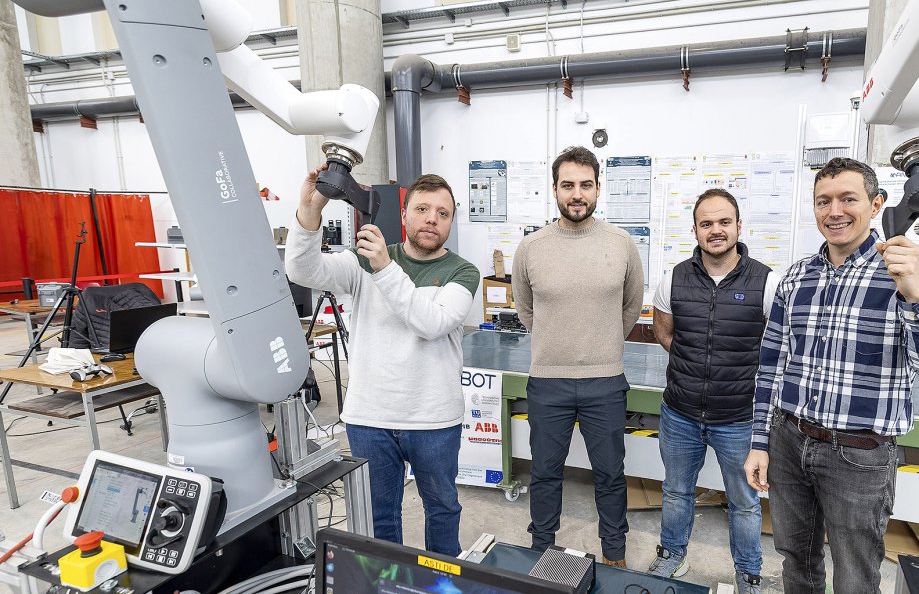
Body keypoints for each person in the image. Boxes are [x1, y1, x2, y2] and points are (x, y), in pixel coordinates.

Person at [744, 157, 919, 594]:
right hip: (790, 441)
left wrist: (914, 297)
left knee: (855, 575)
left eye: (848, 199)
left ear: (876, 204)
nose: (834, 212)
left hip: (859, 457)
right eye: (823, 201)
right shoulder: (797, 277)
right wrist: (760, 442)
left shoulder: (916, 272)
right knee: (796, 559)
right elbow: (771, 365)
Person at [285, 167, 480, 556]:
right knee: (380, 516)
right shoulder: (364, 260)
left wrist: (386, 270)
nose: (432, 220)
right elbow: (301, 269)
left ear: (451, 223)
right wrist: (310, 212)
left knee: (442, 509)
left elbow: (431, 323)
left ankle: (441, 583)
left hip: (433, 418)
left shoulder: (462, 271)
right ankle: (391, 584)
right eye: (423, 209)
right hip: (370, 418)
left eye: (443, 214)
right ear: (405, 214)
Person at [512, 146, 644, 567]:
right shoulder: (531, 247)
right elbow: (525, 308)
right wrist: (557, 343)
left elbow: (630, 306)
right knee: (545, 473)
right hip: (547, 381)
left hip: (605, 381)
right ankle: (541, 551)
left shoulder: (621, 244)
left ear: (598, 189)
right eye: (568, 185)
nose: (577, 194)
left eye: (585, 185)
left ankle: (615, 554)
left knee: (609, 475)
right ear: (554, 190)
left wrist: (601, 344)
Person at [647, 188, 779, 594]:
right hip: (680, 412)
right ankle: (672, 554)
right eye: (707, 224)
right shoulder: (674, 278)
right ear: (695, 230)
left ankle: (748, 572)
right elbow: (664, 332)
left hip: (739, 419)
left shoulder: (767, 282)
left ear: (739, 227)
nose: (716, 230)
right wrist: (698, 368)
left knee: (743, 502)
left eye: (724, 222)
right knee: (675, 490)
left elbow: (776, 350)